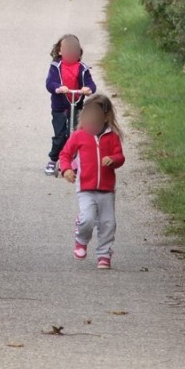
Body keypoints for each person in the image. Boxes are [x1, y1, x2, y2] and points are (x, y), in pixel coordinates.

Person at [59, 94, 125, 270]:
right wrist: (66, 169)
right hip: (86, 187)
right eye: (88, 120)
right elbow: (65, 155)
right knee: (87, 218)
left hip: (107, 189)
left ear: (105, 117)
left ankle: (104, 254)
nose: (91, 124)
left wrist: (113, 159)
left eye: (96, 121)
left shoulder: (112, 137)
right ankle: (81, 240)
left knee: (108, 223)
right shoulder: (78, 136)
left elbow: (120, 157)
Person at [44, 34, 96, 175]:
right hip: (59, 107)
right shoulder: (56, 67)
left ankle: (70, 160)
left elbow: (91, 84)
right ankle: (53, 159)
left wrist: (88, 89)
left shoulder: (82, 68)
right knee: (61, 135)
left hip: (76, 105)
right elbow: (49, 83)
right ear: (60, 51)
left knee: (74, 134)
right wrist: (58, 87)